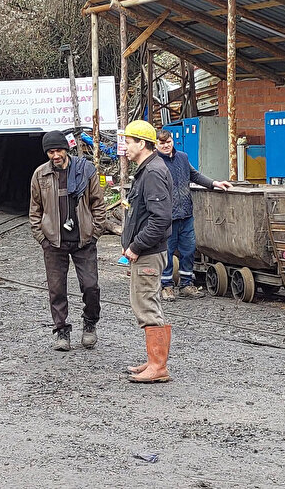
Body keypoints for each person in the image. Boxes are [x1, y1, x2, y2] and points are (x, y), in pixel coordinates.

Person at [29, 130, 106, 351]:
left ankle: (90, 323)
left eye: (59, 150)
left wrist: (94, 233)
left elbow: (98, 204)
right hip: (54, 242)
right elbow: (35, 210)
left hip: (83, 240)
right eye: (51, 151)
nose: (55, 155)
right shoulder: (40, 175)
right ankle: (61, 330)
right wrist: (42, 238)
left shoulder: (85, 171)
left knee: (91, 286)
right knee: (57, 289)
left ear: (67, 149)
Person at [120, 121, 173, 383]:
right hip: (149, 251)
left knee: (147, 307)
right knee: (148, 304)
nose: (125, 147)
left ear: (142, 143)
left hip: (148, 253)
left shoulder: (152, 172)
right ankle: (154, 361)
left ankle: (158, 367)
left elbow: (160, 219)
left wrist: (135, 246)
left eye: (128, 142)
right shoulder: (148, 169)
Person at [155, 129, 232, 300]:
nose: (166, 145)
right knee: (166, 252)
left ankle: (186, 284)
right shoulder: (154, 163)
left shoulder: (182, 157)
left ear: (173, 140)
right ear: (156, 144)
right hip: (167, 217)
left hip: (185, 213)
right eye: (162, 143)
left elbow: (194, 175)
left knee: (188, 250)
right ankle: (166, 286)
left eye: (168, 142)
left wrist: (214, 183)